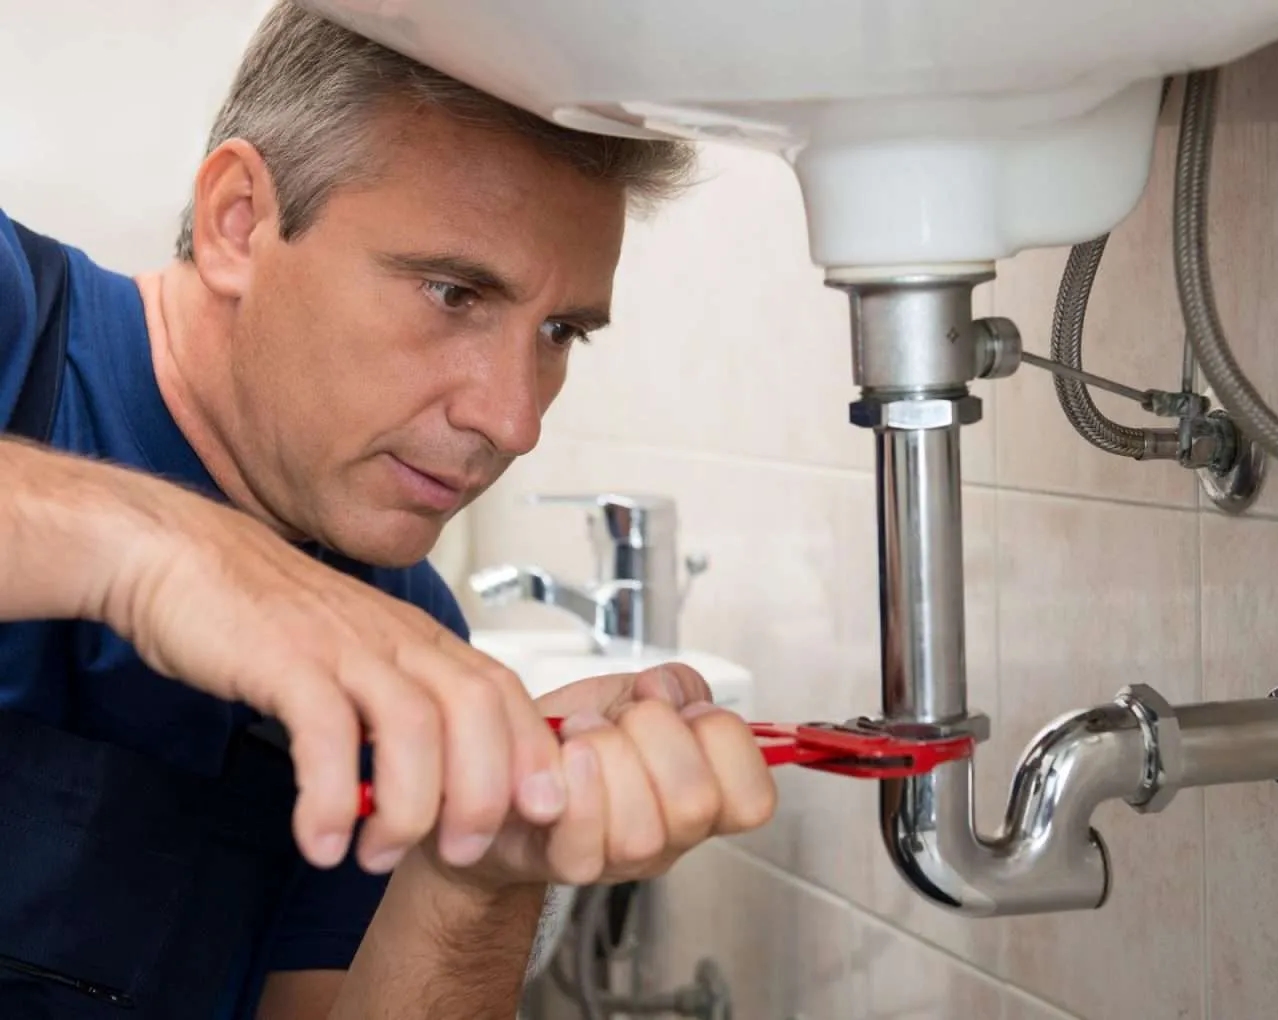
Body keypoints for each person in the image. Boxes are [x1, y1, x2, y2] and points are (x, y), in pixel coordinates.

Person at [0, 2, 778, 1017]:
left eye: (560, 332)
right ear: (239, 220)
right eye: (453, 294)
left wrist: (481, 872)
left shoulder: (408, 650)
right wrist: (163, 550)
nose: (513, 419)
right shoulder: (19, 319)